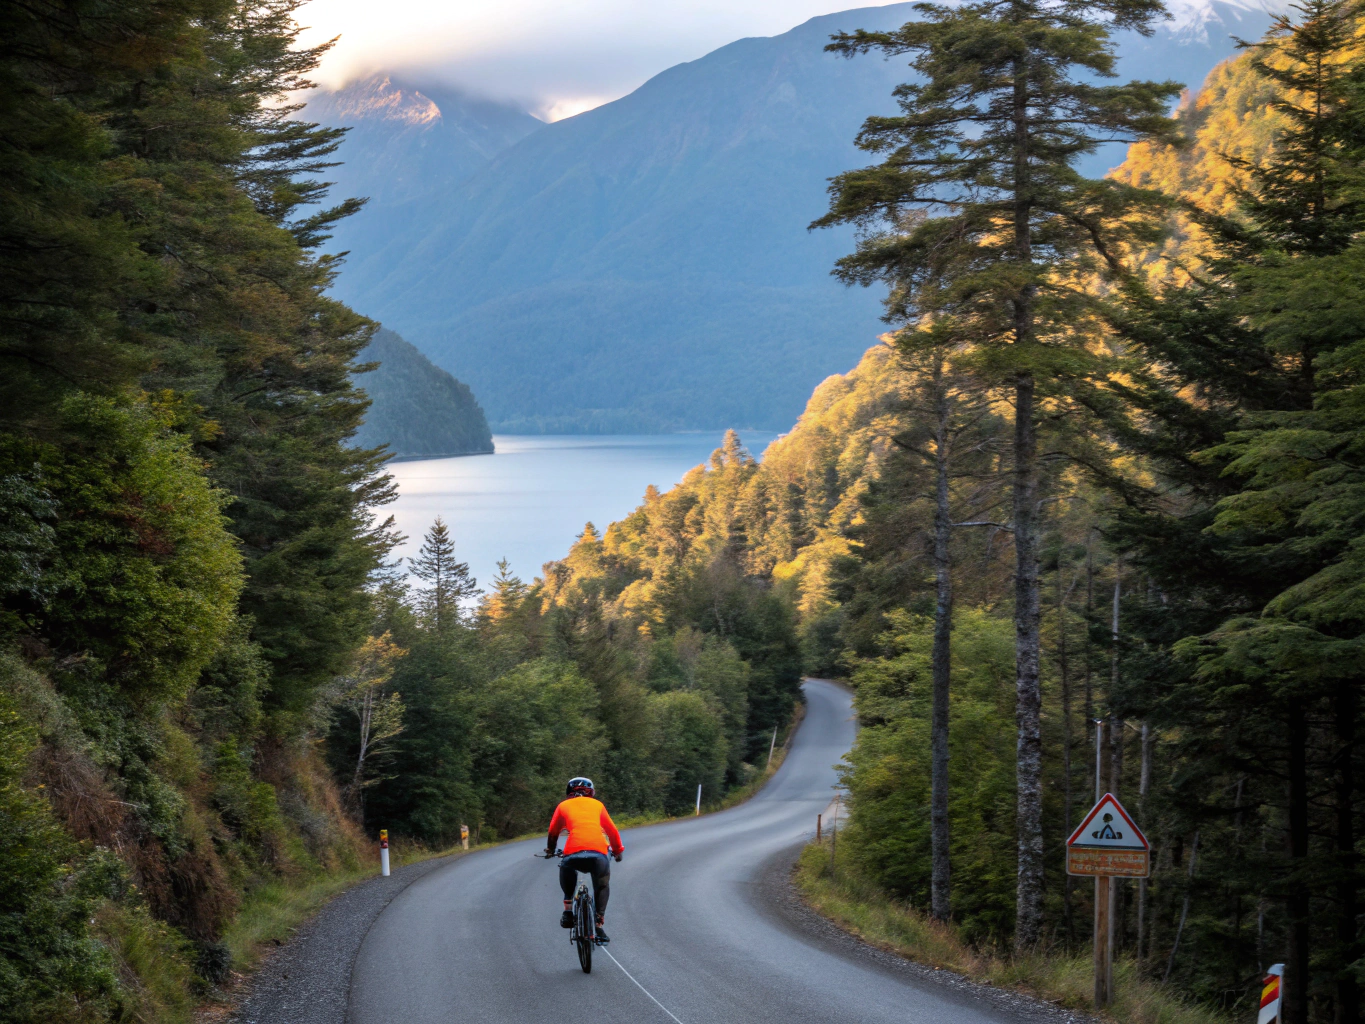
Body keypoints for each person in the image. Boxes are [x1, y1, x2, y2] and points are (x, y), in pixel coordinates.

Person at [546, 777, 623, 943]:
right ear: (592, 792)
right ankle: (599, 924)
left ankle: (568, 910)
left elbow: (553, 832)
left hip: (573, 852)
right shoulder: (598, 805)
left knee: (566, 866)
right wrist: (617, 851)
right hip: (598, 854)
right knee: (602, 885)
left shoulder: (563, 806)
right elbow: (612, 831)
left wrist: (551, 849)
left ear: (568, 792)